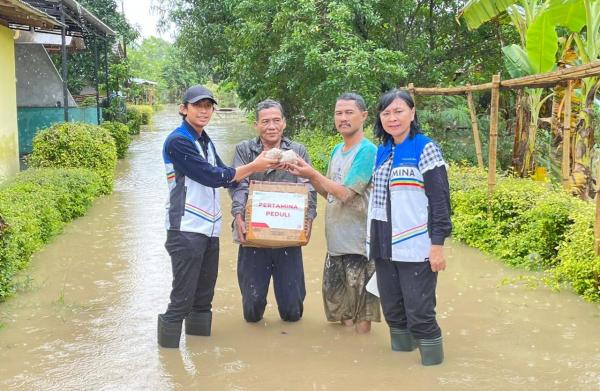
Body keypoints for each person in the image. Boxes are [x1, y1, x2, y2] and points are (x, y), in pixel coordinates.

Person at [159, 85, 278, 348]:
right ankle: (170, 361)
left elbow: (227, 174)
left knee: (203, 297)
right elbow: (213, 177)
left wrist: (251, 203)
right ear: (183, 109)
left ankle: (200, 356)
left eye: (208, 106)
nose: (203, 111)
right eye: (197, 105)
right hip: (186, 229)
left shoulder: (204, 140)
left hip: (209, 230)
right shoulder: (179, 141)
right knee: (182, 298)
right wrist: (255, 165)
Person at [367, 89, 451, 365]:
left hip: (415, 247)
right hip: (383, 246)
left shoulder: (425, 148)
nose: (392, 118)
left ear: (412, 113)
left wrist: (437, 246)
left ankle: (432, 369)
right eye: (386, 113)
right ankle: (400, 368)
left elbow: (440, 202)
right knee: (393, 311)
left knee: (420, 313)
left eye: (399, 111)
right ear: (380, 118)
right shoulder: (383, 151)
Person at [286, 93, 380, 333]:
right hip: (336, 245)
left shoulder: (367, 151)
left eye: (349, 112)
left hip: (359, 246)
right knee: (341, 312)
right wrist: (306, 176)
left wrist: (312, 173)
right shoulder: (338, 149)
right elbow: (330, 193)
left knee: (361, 316)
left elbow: (347, 194)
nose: (343, 118)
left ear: (364, 116)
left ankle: (360, 361)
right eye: (339, 113)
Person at [229, 99, 317, 323]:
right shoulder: (245, 150)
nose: (271, 126)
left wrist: (308, 219)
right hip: (253, 237)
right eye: (265, 121)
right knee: (252, 308)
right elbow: (239, 183)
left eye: (276, 120)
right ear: (256, 124)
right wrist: (238, 214)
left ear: (284, 123)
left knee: (292, 310)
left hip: (288, 238)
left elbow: (309, 185)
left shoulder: (297, 151)